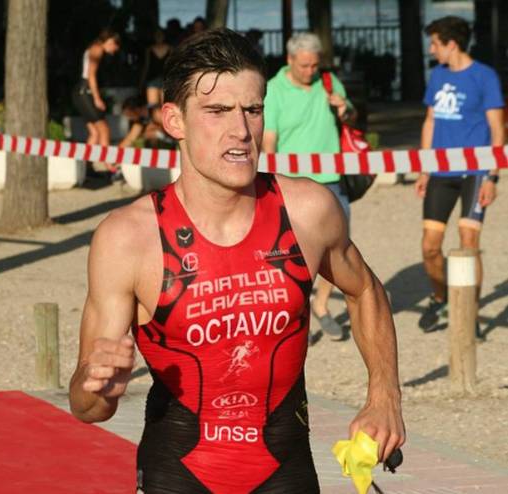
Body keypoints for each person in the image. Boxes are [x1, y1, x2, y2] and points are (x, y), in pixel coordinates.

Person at [69, 28, 404, 493]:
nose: (242, 131)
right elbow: (86, 406)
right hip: (177, 473)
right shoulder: (128, 238)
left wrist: (384, 396)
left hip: (285, 474)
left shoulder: (307, 210)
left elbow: (365, 289)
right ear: (174, 120)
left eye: (252, 110)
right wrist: (98, 387)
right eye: (217, 111)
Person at [262, 32, 356, 342]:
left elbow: (352, 117)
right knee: (295, 252)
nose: (310, 71)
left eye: (315, 65)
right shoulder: (274, 90)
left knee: (338, 247)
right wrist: (271, 183)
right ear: (289, 60)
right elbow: (269, 140)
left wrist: (343, 108)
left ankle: (321, 304)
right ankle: (295, 312)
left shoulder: (328, 81)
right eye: (304, 65)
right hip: (294, 184)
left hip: (331, 179)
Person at [415, 16, 505, 336]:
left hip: (475, 172)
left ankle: (468, 313)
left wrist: (492, 177)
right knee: (430, 247)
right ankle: (440, 298)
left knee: (468, 242)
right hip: (440, 171)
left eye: (435, 43)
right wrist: (425, 168)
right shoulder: (438, 75)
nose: (431, 49)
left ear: (451, 44)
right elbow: (430, 121)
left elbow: (498, 128)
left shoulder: (484, 76)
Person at [71, 29, 120, 172]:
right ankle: (109, 166)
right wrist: (97, 98)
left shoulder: (94, 47)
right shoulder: (97, 49)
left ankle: (85, 168)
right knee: (104, 129)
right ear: (110, 41)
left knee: (95, 133)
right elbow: (91, 75)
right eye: (115, 46)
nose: (115, 50)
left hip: (81, 92)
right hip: (84, 92)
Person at [139, 27, 172, 114]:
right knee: (153, 109)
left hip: (165, 80)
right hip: (153, 80)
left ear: (164, 36)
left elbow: (173, 65)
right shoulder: (149, 49)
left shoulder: (170, 48)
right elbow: (146, 67)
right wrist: (142, 82)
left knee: (165, 108)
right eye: (157, 35)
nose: (159, 37)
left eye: (160, 35)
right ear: (154, 36)